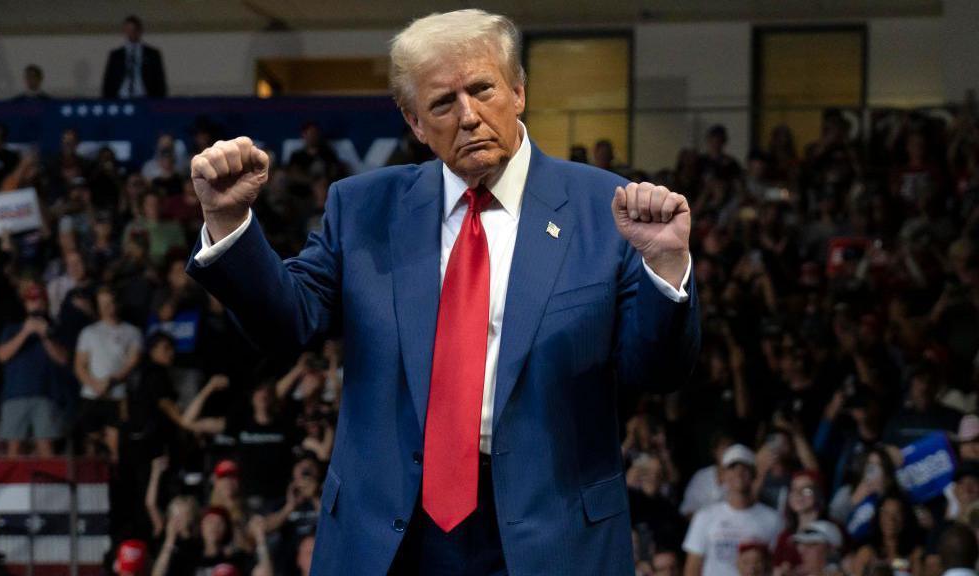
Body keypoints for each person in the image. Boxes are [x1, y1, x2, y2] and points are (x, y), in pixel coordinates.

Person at [186, 8, 699, 575]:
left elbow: (658, 372)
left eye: (483, 89)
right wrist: (230, 223)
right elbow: (287, 324)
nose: (469, 115)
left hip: (552, 538)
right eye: (442, 103)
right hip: (389, 539)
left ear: (519, 91)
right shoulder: (362, 208)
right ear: (414, 121)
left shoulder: (608, 209)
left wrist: (667, 264)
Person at [683, 444, 784, 576]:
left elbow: (777, 566)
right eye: (732, 467)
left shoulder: (773, 519)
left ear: (754, 474)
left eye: (745, 468)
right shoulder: (704, 516)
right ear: (723, 475)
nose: (739, 472)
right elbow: (692, 568)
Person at [0, 281, 68, 457]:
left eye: (39, 300)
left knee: (46, 447)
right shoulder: (12, 329)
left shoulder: (54, 330)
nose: (36, 304)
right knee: (14, 448)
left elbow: (63, 359)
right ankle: (14, 485)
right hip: (15, 395)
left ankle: (49, 484)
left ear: (45, 303)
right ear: (25, 304)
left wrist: (46, 336)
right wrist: (25, 333)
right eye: (31, 300)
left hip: (46, 395)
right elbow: (1, 356)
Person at [74, 285, 143, 459]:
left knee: (115, 446)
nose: (107, 308)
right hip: (91, 395)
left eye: (110, 303)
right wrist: (95, 385)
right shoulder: (89, 332)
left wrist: (111, 381)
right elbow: (80, 365)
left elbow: (132, 362)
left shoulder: (132, 332)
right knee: (91, 443)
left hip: (117, 396)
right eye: (102, 304)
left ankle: (114, 481)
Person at [101, 15, 167, 99]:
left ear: (139, 31)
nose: (130, 33)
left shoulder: (152, 54)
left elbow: (159, 81)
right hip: (121, 98)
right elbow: (108, 81)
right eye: (127, 30)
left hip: (144, 98)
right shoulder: (116, 55)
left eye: (133, 29)